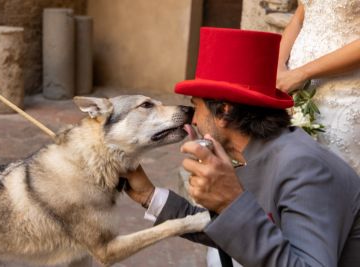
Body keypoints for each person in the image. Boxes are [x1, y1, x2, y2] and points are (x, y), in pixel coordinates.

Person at [125, 27, 360, 266]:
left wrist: (230, 201)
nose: (193, 120)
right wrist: (149, 196)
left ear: (224, 111)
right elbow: (237, 230)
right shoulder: (255, 152)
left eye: (197, 107)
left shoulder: (304, 167)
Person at [276, 0, 360, 174]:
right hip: (296, 91)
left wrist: (303, 73)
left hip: (343, 96)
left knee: (338, 174)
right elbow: (302, 14)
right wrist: (278, 64)